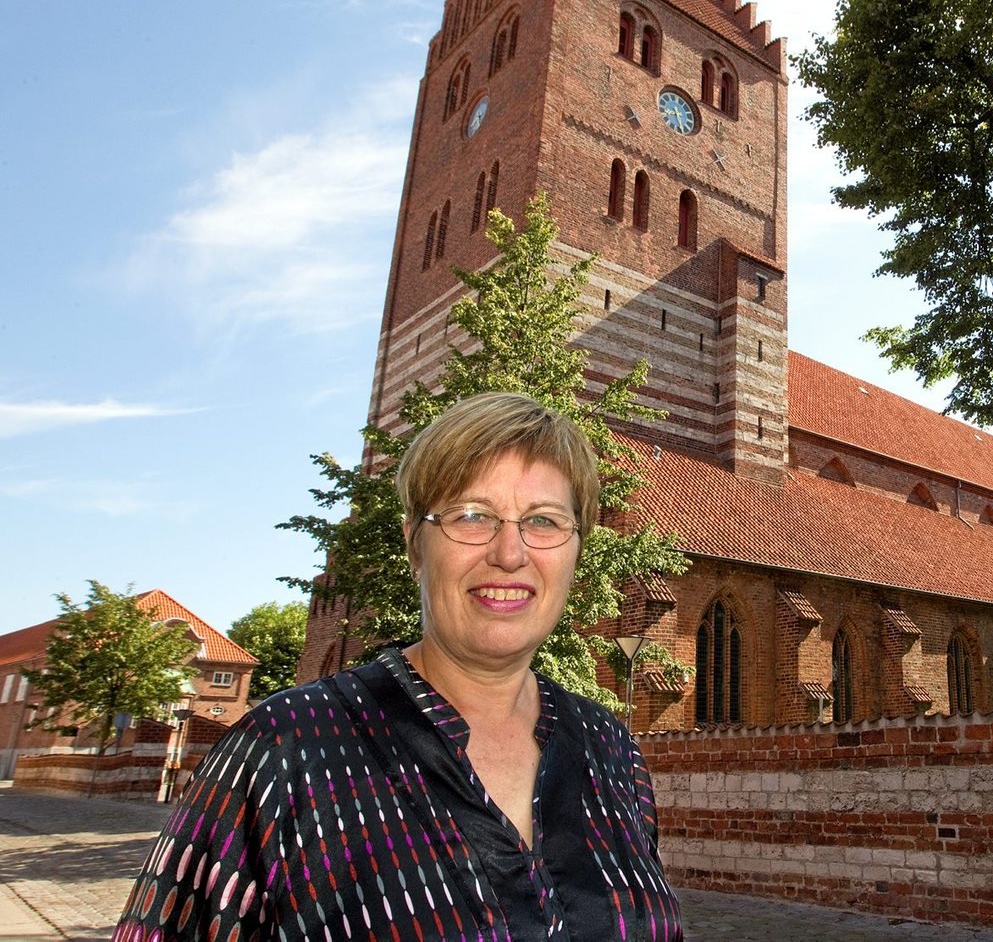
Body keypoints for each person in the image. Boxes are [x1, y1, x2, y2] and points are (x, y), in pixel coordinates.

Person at [114, 393, 683, 941]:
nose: (510, 553)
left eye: (544, 521)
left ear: (577, 549)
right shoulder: (282, 750)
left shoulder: (611, 749)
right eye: (471, 515)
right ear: (415, 545)